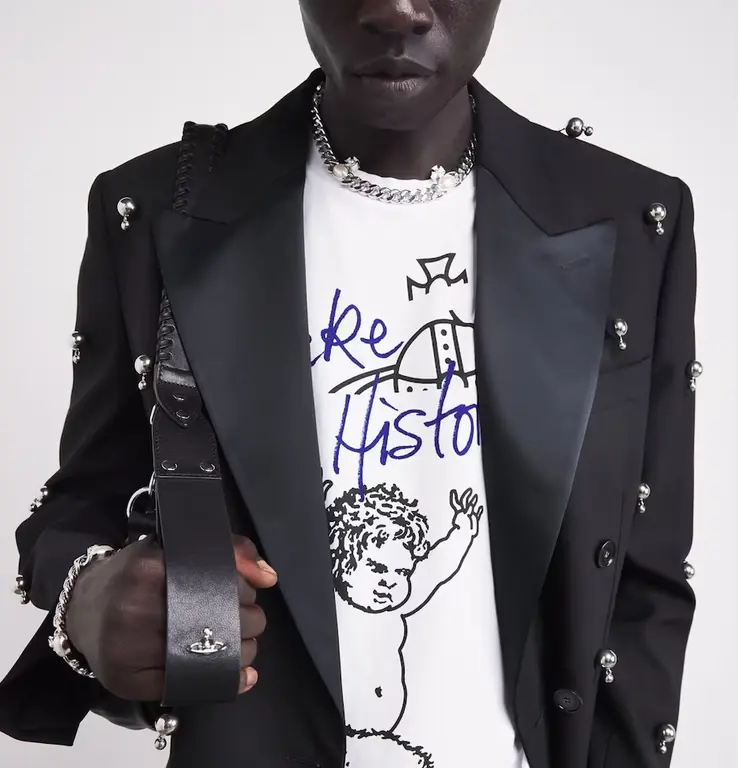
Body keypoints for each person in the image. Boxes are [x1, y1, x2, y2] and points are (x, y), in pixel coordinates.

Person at [0, 1, 701, 767]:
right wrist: (86, 594)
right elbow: (83, 505)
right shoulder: (161, 205)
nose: (396, 10)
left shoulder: (630, 217)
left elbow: (646, 577)